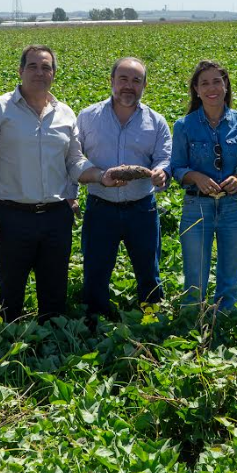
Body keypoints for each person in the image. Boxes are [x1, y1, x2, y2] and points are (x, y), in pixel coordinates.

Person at [0, 45, 122, 322]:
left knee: (54, 297)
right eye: (33, 66)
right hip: (11, 216)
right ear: (20, 71)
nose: (40, 72)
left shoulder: (64, 113)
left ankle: (49, 353)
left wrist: (101, 176)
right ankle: (10, 352)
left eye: (46, 67)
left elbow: (74, 162)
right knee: (10, 297)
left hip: (56, 217)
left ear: (53, 74)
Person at [75, 57, 172, 319]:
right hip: (100, 208)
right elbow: (75, 160)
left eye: (136, 80)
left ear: (144, 85)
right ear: (112, 81)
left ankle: (151, 317)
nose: (129, 86)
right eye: (123, 79)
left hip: (142, 209)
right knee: (95, 269)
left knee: (148, 270)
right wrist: (97, 177)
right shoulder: (87, 117)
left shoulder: (156, 121)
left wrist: (161, 171)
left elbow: (164, 157)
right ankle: (94, 320)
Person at [171, 60, 237, 312]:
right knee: (194, 278)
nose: (212, 88)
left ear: (226, 85)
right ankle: (192, 324)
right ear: (196, 90)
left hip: (234, 208)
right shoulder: (184, 125)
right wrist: (195, 177)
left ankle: (225, 321)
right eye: (204, 83)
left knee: (230, 278)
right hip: (196, 207)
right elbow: (176, 168)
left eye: (217, 81)